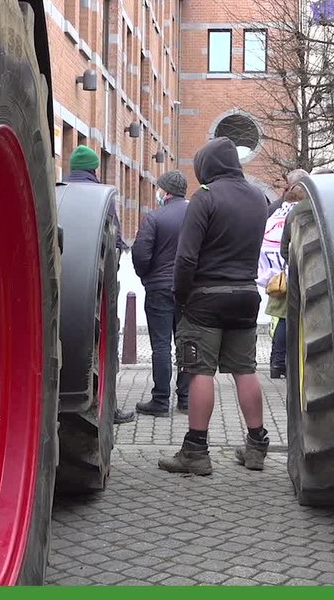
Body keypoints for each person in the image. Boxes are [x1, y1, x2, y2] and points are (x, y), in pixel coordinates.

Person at [159, 137, 270, 475]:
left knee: (200, 372)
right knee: (245, 370)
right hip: (246, 297)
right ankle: (256, 447)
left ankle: (196, 451)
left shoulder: (204, 199)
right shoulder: (259, 198)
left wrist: (181, 296)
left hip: (207, 298)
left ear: (206, 166)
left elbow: (186, 257)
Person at [65, 145, 135, 424]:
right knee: (103, 349)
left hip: (62, 285)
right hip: (95, 290)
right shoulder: (100, 199)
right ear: (94, 170)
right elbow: (115, 241)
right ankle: (108, 408)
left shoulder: (59, 191)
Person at [131, 171, 193, 417]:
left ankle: (160, 400)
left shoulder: (154, 218)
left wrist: (147, 277)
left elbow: (141, 254)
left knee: (161, 345)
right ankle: (186, 398)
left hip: (159, 288)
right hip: (188, 290)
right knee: (187, 343)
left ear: (165, 192)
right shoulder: (197, 216)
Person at [259, 178, 307, 379]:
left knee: (281, 320)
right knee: (287, 321)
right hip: (292, 276)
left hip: (275, 276)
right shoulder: (299, 216)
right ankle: (281, 363)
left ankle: (276, 363)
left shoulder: (274, 215)